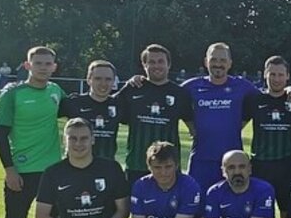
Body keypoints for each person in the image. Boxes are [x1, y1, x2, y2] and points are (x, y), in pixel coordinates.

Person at [0, 46, 68, 218]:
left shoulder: (56, 91)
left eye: (48, 64)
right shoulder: (12, 94)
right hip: (22, 173)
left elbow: (81, 108)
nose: (43, 68)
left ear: (54, 67)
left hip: (52, 173)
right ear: (28, 65)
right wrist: (9, 170)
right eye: (38, 63)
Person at [180, 43, 262, 192]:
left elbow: (268, 100)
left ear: (230, 63)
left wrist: (289, 89)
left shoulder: (243, 86)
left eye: (223, 60)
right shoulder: (191, 86)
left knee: (233, 203)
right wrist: (190, 125)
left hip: (233, 162)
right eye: (213, 59)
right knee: (198, 204)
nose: (218, 64)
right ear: (206, 62)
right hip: (201, 159)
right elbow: (167, 95)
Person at [116, 44, 194, 185]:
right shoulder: (132, 89)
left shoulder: (179, 93)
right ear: (144, 65)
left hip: (168, 168)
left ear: (168, 64)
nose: (156, 66)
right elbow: (107, 108)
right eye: (151, 62)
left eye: (160, 61)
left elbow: (193, 128)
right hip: (137, 165)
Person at [243, 56, 291, 218]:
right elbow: (239, 125)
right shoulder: (255, 99)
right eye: (272, 74)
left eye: (280, 75)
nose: (276, 79)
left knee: (289, 215)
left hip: (288, 165)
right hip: (261, 165)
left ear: (287, 76)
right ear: (265, 74)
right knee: (261, 214)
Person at [60, 60, 120, 161]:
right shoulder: (73, 102)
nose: (103, 83)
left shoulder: (119, 104)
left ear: (114, 81)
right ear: (88, 80)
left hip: (106, 165)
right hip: (76, 165)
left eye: (108, 79)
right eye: (98, 78)